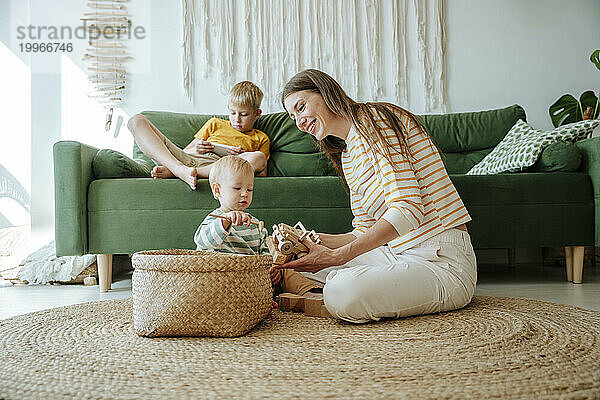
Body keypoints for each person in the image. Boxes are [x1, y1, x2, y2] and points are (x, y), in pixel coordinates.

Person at [278, 69, 477, 323]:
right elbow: (363, 231)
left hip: (441, 260)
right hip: (395, 254)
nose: (299, 121)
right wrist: (313, 241)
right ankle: (331, 290)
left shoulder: (375, 119)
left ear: (325, 91)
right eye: (292, 116)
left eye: (301, 107)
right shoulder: (347, 155)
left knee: (341, 291)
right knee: (295, 264)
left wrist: (337, 257)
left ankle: (333, 293)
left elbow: (408, 209)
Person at [195, 155, 321, 296]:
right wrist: (225, 221)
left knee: (283, 265)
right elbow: (202, 243)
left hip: (249, 281)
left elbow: (264, 255)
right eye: (237, 188)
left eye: (249, 190)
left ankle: (309, 292)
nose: (244, 194)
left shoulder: (255, 225)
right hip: (222, 280)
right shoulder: (215, 219)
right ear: (217, 190)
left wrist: (271, 270)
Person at [127, 81, 270, 190]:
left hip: (221, 169)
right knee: (136, 121)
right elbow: (185, 153)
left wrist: (240, 159)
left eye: (244, 114)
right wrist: (199, 147)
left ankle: (185, 173)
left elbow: (262, 173)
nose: (237, 119)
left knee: (258, 157)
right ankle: (178, 170)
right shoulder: (215, 123)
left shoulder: (261, 138)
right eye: (232, 113)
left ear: (257, 114)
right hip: (185, 161)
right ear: (228, 108)